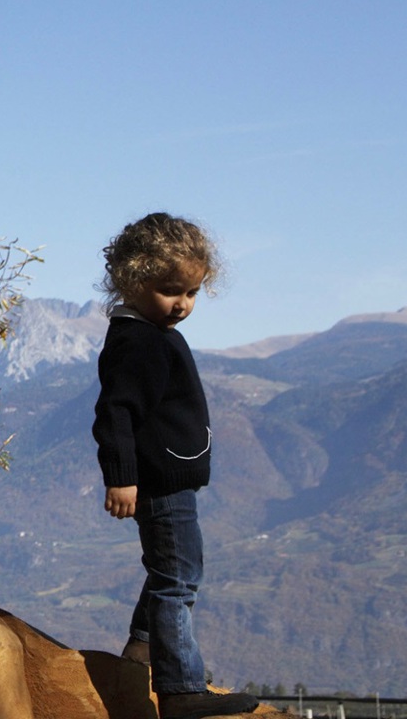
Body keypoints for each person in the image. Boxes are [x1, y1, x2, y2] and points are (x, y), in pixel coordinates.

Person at [91, 213, 257, 719]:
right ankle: (181, 687)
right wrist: (121, 478)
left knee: (174, 571)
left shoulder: (153, 333)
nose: (182, 304)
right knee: (177, 582)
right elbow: (115, 414)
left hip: (172, 482)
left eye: (192, 293)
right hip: (160, 486)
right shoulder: (138, 342)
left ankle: (142, 648)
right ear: (132, 279)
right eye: (170, 290)